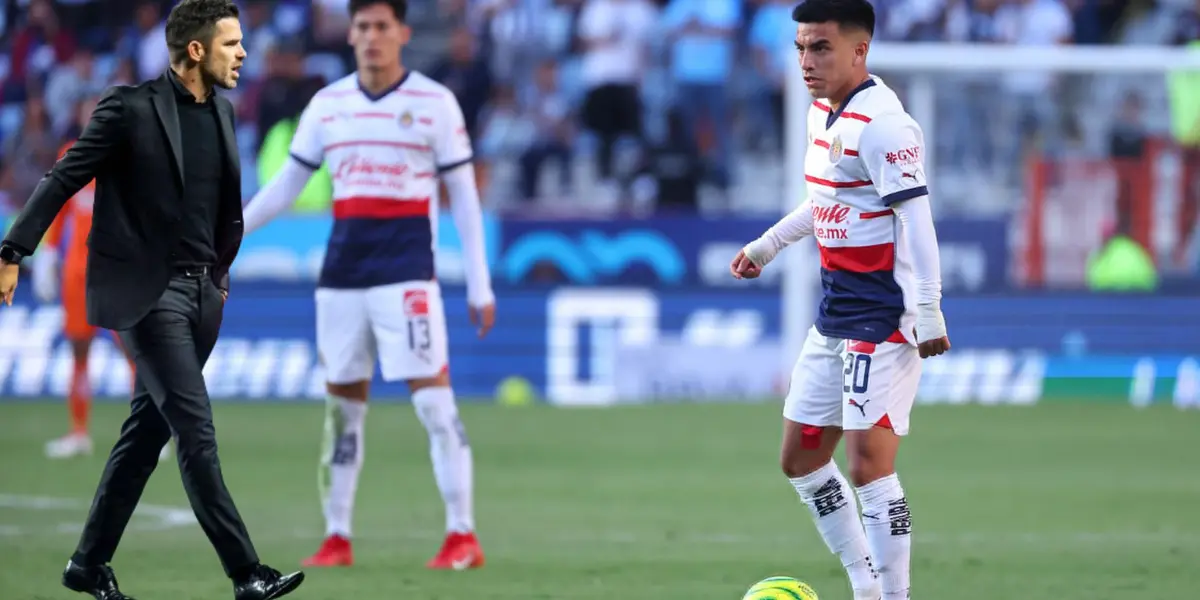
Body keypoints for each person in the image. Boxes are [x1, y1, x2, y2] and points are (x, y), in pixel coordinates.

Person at [0, 1, 304, 598]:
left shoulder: (223, 111)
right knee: (196, 430)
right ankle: (247, 572)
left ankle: (87, 565)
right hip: (148, 295)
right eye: (231, 43)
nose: (243, 53)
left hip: (203, 297)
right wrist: (13, 249)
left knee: (144, 438)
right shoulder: (128, 108)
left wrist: (217, 279)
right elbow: (64, 177)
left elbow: (221, 208)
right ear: (196, 50)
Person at [241, 0, 495, 570]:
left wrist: (480, 284)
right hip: (342, 277)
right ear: (350, 34)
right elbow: (286, 186)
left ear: (402, 32)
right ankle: (337, 537)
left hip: (406, 276)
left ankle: (462, 534)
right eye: (362, 27)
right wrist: (231, 234)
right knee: (342, 411)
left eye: (382, 26)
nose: (372, 36)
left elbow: (464, 198)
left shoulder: (434, 103)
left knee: (434, 403)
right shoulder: (328, 105)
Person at [728, 1, 950, 599]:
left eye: (821, 47)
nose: (806, 60)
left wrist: (929, 307)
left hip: (885, 315)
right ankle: (865, 585)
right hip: (836, 311)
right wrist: (769, 245)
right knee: (800, 457)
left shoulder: (885, 125)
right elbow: (829, 200)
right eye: (801, 47)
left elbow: (918, 219)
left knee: (868, 466)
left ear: (860, 50)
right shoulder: (820, 113)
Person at [34, 97, 170, 462]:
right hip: (78, 274)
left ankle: (149, 434)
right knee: (79, 351)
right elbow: (57, 207)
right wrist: (48, 253)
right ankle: (78, 433)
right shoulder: (70, 155)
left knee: (134, 352)